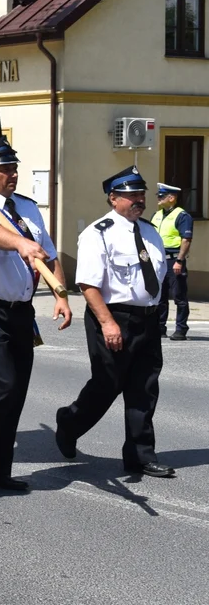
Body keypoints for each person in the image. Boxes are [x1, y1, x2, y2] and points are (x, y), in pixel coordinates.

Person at [0, 139, 71, 493]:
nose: (12, 174)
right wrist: (19, 242)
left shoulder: (27, 209)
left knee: (16, 390)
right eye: (4, 169)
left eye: (14, 168)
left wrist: (61, 295)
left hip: (20, 309)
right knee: (2, 383)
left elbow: (48, 254)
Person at [55, 166, 174, 478]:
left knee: (144, 388)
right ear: (113, 198)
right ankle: (69, 423)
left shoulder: (150, 231)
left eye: (141, 194)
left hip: (146, 320)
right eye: (131, 195)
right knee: (107, 385)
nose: (139, 200)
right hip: (111, 316)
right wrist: (108, 324)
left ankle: (140, 455)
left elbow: (155, 279)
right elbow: (88, 285)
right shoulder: (98, 234)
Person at [152, 182, 193, 341]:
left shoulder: (182, 216)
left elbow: (186, 239)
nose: (159, 199)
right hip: (158, 260)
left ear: (172, 198)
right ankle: (160, 327)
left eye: (161, 196)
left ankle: (181, 329)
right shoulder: (157, 214)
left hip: (174, 260)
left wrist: (179, 261)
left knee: (179, 296)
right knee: (160, 296)